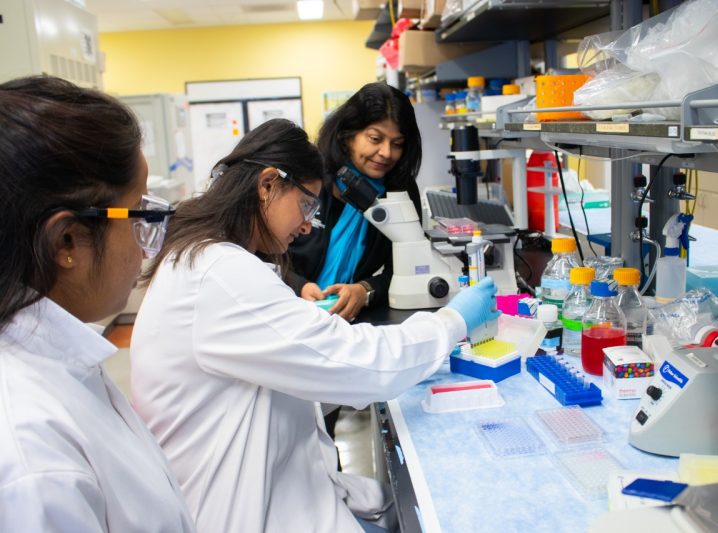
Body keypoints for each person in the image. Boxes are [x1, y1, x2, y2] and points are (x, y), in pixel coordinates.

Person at [129, 118, 500, 532]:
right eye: (307, 205)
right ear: (268, 184)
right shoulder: (220, 273)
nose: (308, 224)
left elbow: (296, 379)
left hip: (277, 493)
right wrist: (452, 320)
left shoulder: (207, 259)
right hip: (237, 513)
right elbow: (361, 365)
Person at [0, 76, 194, 531]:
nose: (148, 248)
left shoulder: (61, 358)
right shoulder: (34, 458)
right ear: (67, 240)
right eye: (140, 217)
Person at [287, 82, 423, 322]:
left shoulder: (399, 190)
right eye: (375, 138)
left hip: (350, 320)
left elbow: (407, 267)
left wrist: (364, 290)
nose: (386, 152)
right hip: (291, 312)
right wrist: (299, 286)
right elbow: (262, 254)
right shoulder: (310, 178)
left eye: (397, 143)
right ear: (347, 135)